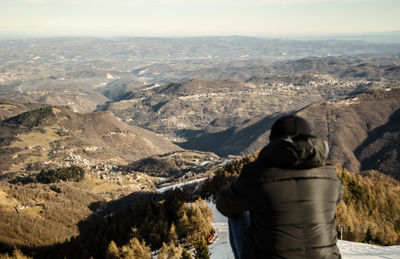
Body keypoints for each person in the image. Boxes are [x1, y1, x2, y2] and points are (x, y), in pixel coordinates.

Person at [216, 115, 343, 259]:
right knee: (323, 207)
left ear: (273, 141)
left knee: (237, 212)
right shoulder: (330, 175)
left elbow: (224, 205)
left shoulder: (256, 173)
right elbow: (338, 197)